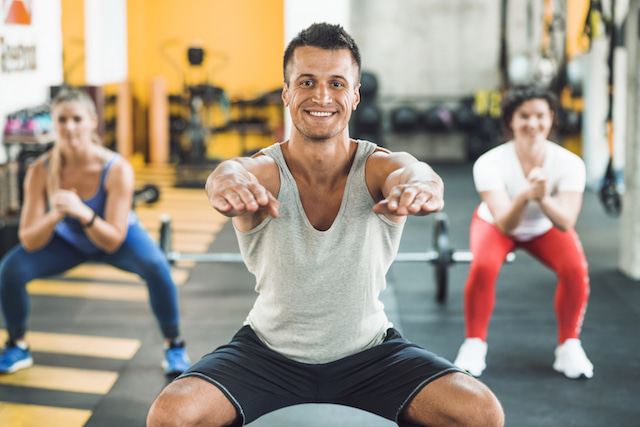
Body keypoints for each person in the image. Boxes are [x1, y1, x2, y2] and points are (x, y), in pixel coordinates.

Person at [147, 23, 504, 427]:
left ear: (354, 96)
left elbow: (413, 171)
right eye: (307, 82)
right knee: (170, 414)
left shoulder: (376, 168)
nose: (321, 96)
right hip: (267, 355)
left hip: (370, 355)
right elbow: (231, 171)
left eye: (336, 83)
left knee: (481, 413)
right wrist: (225, 182)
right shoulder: (264, 172)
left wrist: (422, 186)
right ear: (286, 92)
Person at [0, 87, 191, 376]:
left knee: (156, 266)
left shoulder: (116, 169)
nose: (69, 127)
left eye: (77, 119)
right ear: (53, 123)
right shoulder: (41, 170)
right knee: (10, 269)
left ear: (92, 121)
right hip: (69, 241)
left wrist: (82, 212)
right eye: (62, 120)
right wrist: (55, 215)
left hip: (117, 237)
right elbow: (28, 237)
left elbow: (113, 240)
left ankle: (174, 344)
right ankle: (17, 345)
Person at [453, 84, 593, 379]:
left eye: (540, 115)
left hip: (544, 226)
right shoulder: (489, 163)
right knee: (483, 267)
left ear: (552, 117)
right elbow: (506, 223)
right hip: (497, 223)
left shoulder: (570, 164)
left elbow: (565, 221)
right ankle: (474, 344)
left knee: (575, 270)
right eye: (524, 116)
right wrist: (525, 195)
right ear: (511, 121)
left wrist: (541, 197)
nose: (533, 123)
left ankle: (569, 346)